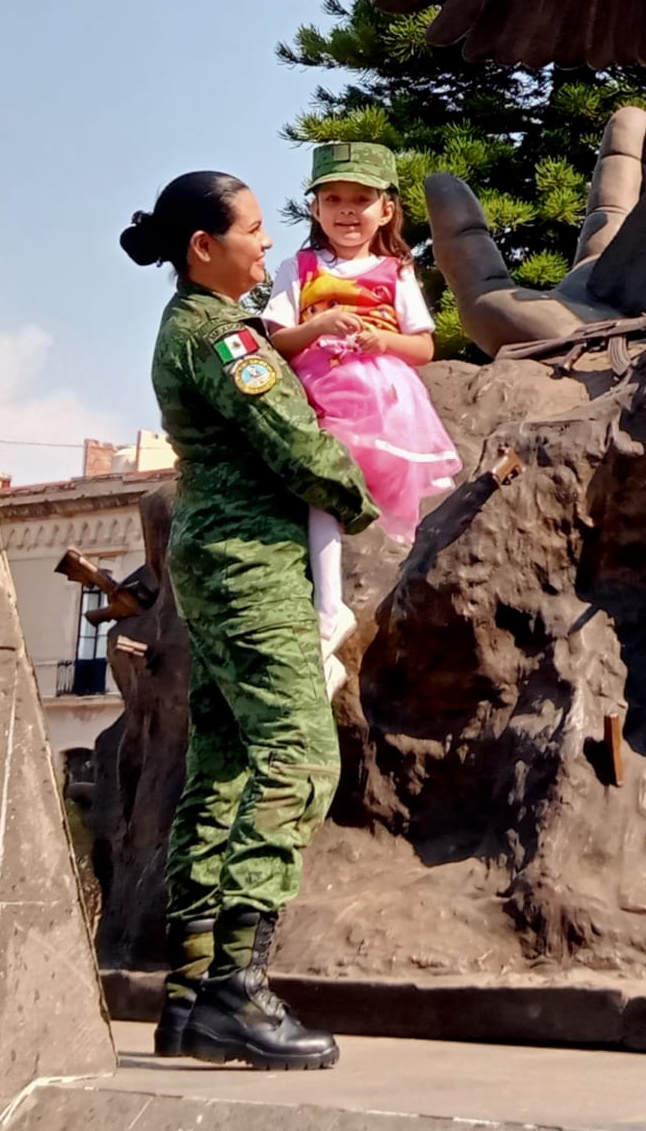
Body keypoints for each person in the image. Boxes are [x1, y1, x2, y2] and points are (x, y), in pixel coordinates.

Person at [121, 170, 379, 1071]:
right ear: (204, 246)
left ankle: (190, 994)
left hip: (212, 562)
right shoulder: (224, 339)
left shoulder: (187, 330)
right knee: (301, 755)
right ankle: (238, 990)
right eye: (256, 230)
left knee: (224, 765)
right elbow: (295, 444)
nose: (268, 245)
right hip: (253, 567)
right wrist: (358, 493)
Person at [262, 141, 460, 694]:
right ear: (316, 209)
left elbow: (423, 347)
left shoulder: (394, 270)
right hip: (317, 388)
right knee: (320, 490)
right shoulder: (298, 268)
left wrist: (382, 339)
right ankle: (329, 607)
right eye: (334, 199)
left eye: (361, 200)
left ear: (386, 209)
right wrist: (320, 328)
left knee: (352, 492)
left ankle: (359, 606)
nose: (347, 212)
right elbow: (277, 339)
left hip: (377, 393)